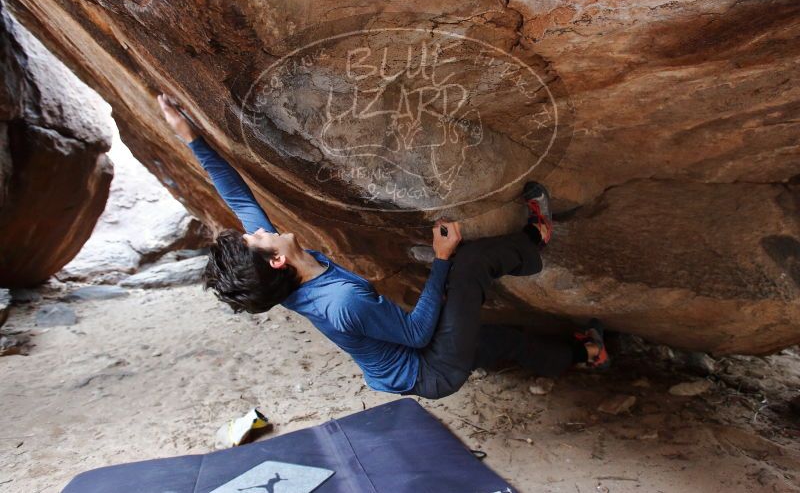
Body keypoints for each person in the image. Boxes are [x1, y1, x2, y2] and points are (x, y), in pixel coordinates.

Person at [157, 94, 609, 399]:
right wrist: (441, 261)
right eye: (256, 237)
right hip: (430, 369)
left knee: (499, 340)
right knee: (468, 264)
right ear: (276, 259)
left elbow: (237, 197)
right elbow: (415, 333)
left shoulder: (281, 274)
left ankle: (590, 353)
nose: (256, 228)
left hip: (416, 359)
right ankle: (534, 241)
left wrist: (188, 135)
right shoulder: (341, 302)